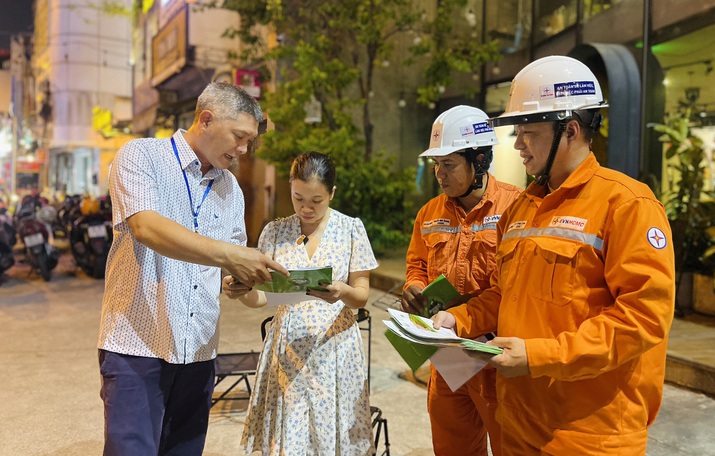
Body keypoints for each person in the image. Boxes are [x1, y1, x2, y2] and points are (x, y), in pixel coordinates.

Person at [433, 55, 675, 455]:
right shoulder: (522, 208)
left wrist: (539, 355)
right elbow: (502, 293)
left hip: (589, 436)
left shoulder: (627, 204)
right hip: (517, 423)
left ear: (571, 129)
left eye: (528, 131)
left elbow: (642, 320)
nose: (517, 143)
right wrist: (455, 319)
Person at [97, 82, 288, 456]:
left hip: (199, 354)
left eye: (250, 141)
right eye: (239, 137)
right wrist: (230, 257)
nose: (244, 150)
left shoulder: (230, 188)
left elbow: (230, 266)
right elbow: (146, 227)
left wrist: (240, 281)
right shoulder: (141, 156)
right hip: (138, 347)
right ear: (206, 119)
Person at [225, 151, 379, 455]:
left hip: (335, 351)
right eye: (298, 199)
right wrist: (242, 292)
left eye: (316, 200)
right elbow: (263, 298)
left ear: (332, 193)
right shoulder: (275, 232)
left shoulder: (350, 229)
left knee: (332, 437)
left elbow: (362, 295)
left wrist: (341, 292)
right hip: (287, 349)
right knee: (290, 439)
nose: (306, 208)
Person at [401, 105, 522, 456]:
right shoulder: (429, 213)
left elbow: (511, 289)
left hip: (497, 359)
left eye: (448, 164)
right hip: (449, 358)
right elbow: (417, 264)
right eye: (436, 164)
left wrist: (459, 318)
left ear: (480, 159)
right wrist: (415, 288)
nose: (439, 174)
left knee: (509, 446)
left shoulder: (515, 208)